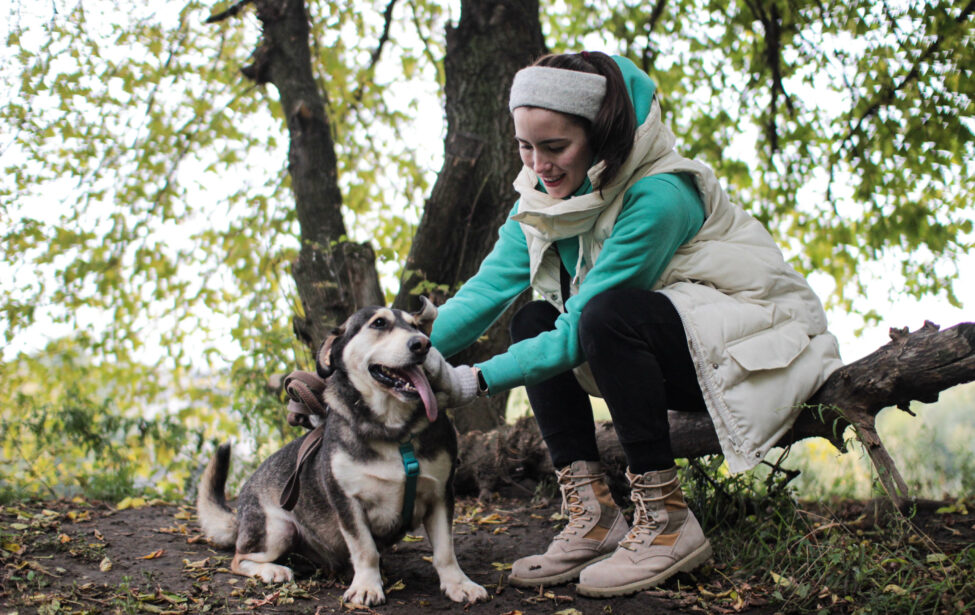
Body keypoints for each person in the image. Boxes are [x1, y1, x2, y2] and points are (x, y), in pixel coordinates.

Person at [421, 51, 842, 598]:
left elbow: (583, 329)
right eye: (525, 147)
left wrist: (472, 380)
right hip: (656, 341)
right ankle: (594, 516)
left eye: (555, 148)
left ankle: (669, 522)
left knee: (603, 313)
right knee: (531, 318)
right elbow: (487, 290)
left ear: (603, 135)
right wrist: (390, 360)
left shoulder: (660, 195)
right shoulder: (543, 196)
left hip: (747, 347)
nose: (538, 164)